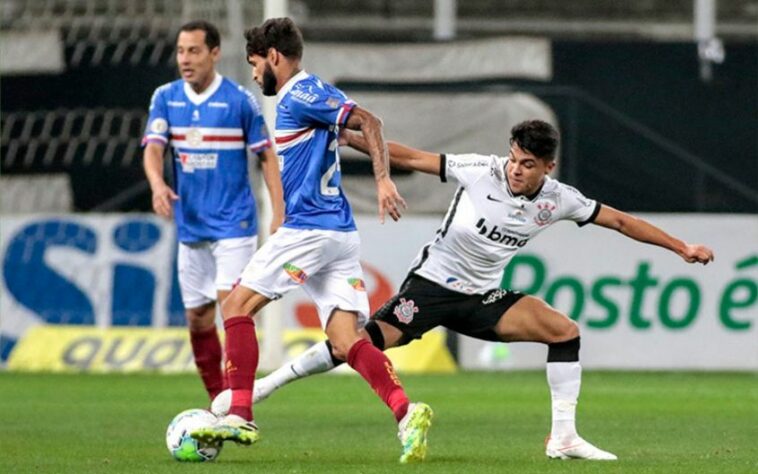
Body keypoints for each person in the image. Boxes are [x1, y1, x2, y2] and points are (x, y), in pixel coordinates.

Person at [230, 119, 715, 461]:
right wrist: (346, 136)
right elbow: (410, 156)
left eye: (527, 163)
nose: (515, 169)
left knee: (564, 332)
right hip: (433, 286)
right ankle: (267, 385)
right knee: (357, 344)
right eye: (513, 158)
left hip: (484, 299)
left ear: (548, 166)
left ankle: (563, 439)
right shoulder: (480, 169)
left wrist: (680, 247)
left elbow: (620, 221)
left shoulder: (558, 199)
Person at [189, 18, 433, 464]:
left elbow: (370, 120)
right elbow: (350, 133)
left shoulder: (300, 92)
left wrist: (382, 180)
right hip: (339, 235)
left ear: (274, 58)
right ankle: (406, 411)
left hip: (310, 229)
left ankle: (240, 413)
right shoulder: (309, 102)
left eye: (255, 63)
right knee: (346, 340)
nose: (254, 74)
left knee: (235, 307)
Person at [142, 20, 284, 403]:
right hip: (191, 228)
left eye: (194, 51)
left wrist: (277, 211)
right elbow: (153, 148)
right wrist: (158, 185)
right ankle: (216, 403)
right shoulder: (166, 98)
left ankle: (236, 404)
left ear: (214, 53)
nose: (185, 59)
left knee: (232, 312)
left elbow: (267, 157)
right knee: (197, 319)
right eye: (180, 51)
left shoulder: (239, 101)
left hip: (234, 226)